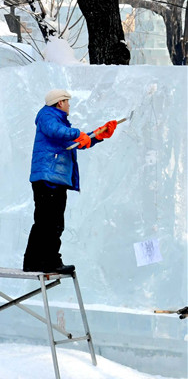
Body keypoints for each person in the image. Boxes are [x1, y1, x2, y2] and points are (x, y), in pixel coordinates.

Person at [22, 89, 118, 274]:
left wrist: (97, 135)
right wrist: (77, 133)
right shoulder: (47, 116)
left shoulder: (58, 121)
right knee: (49, 222)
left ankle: (35, 262)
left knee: (48, 222)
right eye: (67, 102)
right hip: (49, 178)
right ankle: (48, 262)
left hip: (54, 178)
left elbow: (74, 143)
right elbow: (59, 132)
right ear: (60, 103)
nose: (69, 105)